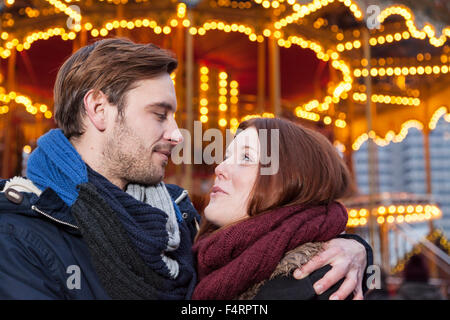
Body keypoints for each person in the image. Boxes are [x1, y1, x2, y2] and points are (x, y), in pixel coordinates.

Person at [0, 38, 370, 299]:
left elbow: (268, 246)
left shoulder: (180, 217)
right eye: (159, 114)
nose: (178, 135)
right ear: (99, 110)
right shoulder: (19, 234)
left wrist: (348, 246)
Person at [192, 117, 369, 300]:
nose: (220, 167)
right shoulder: (195, 255)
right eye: (226, 157)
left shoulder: (316, 284)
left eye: (246, 157)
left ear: (289, 182)